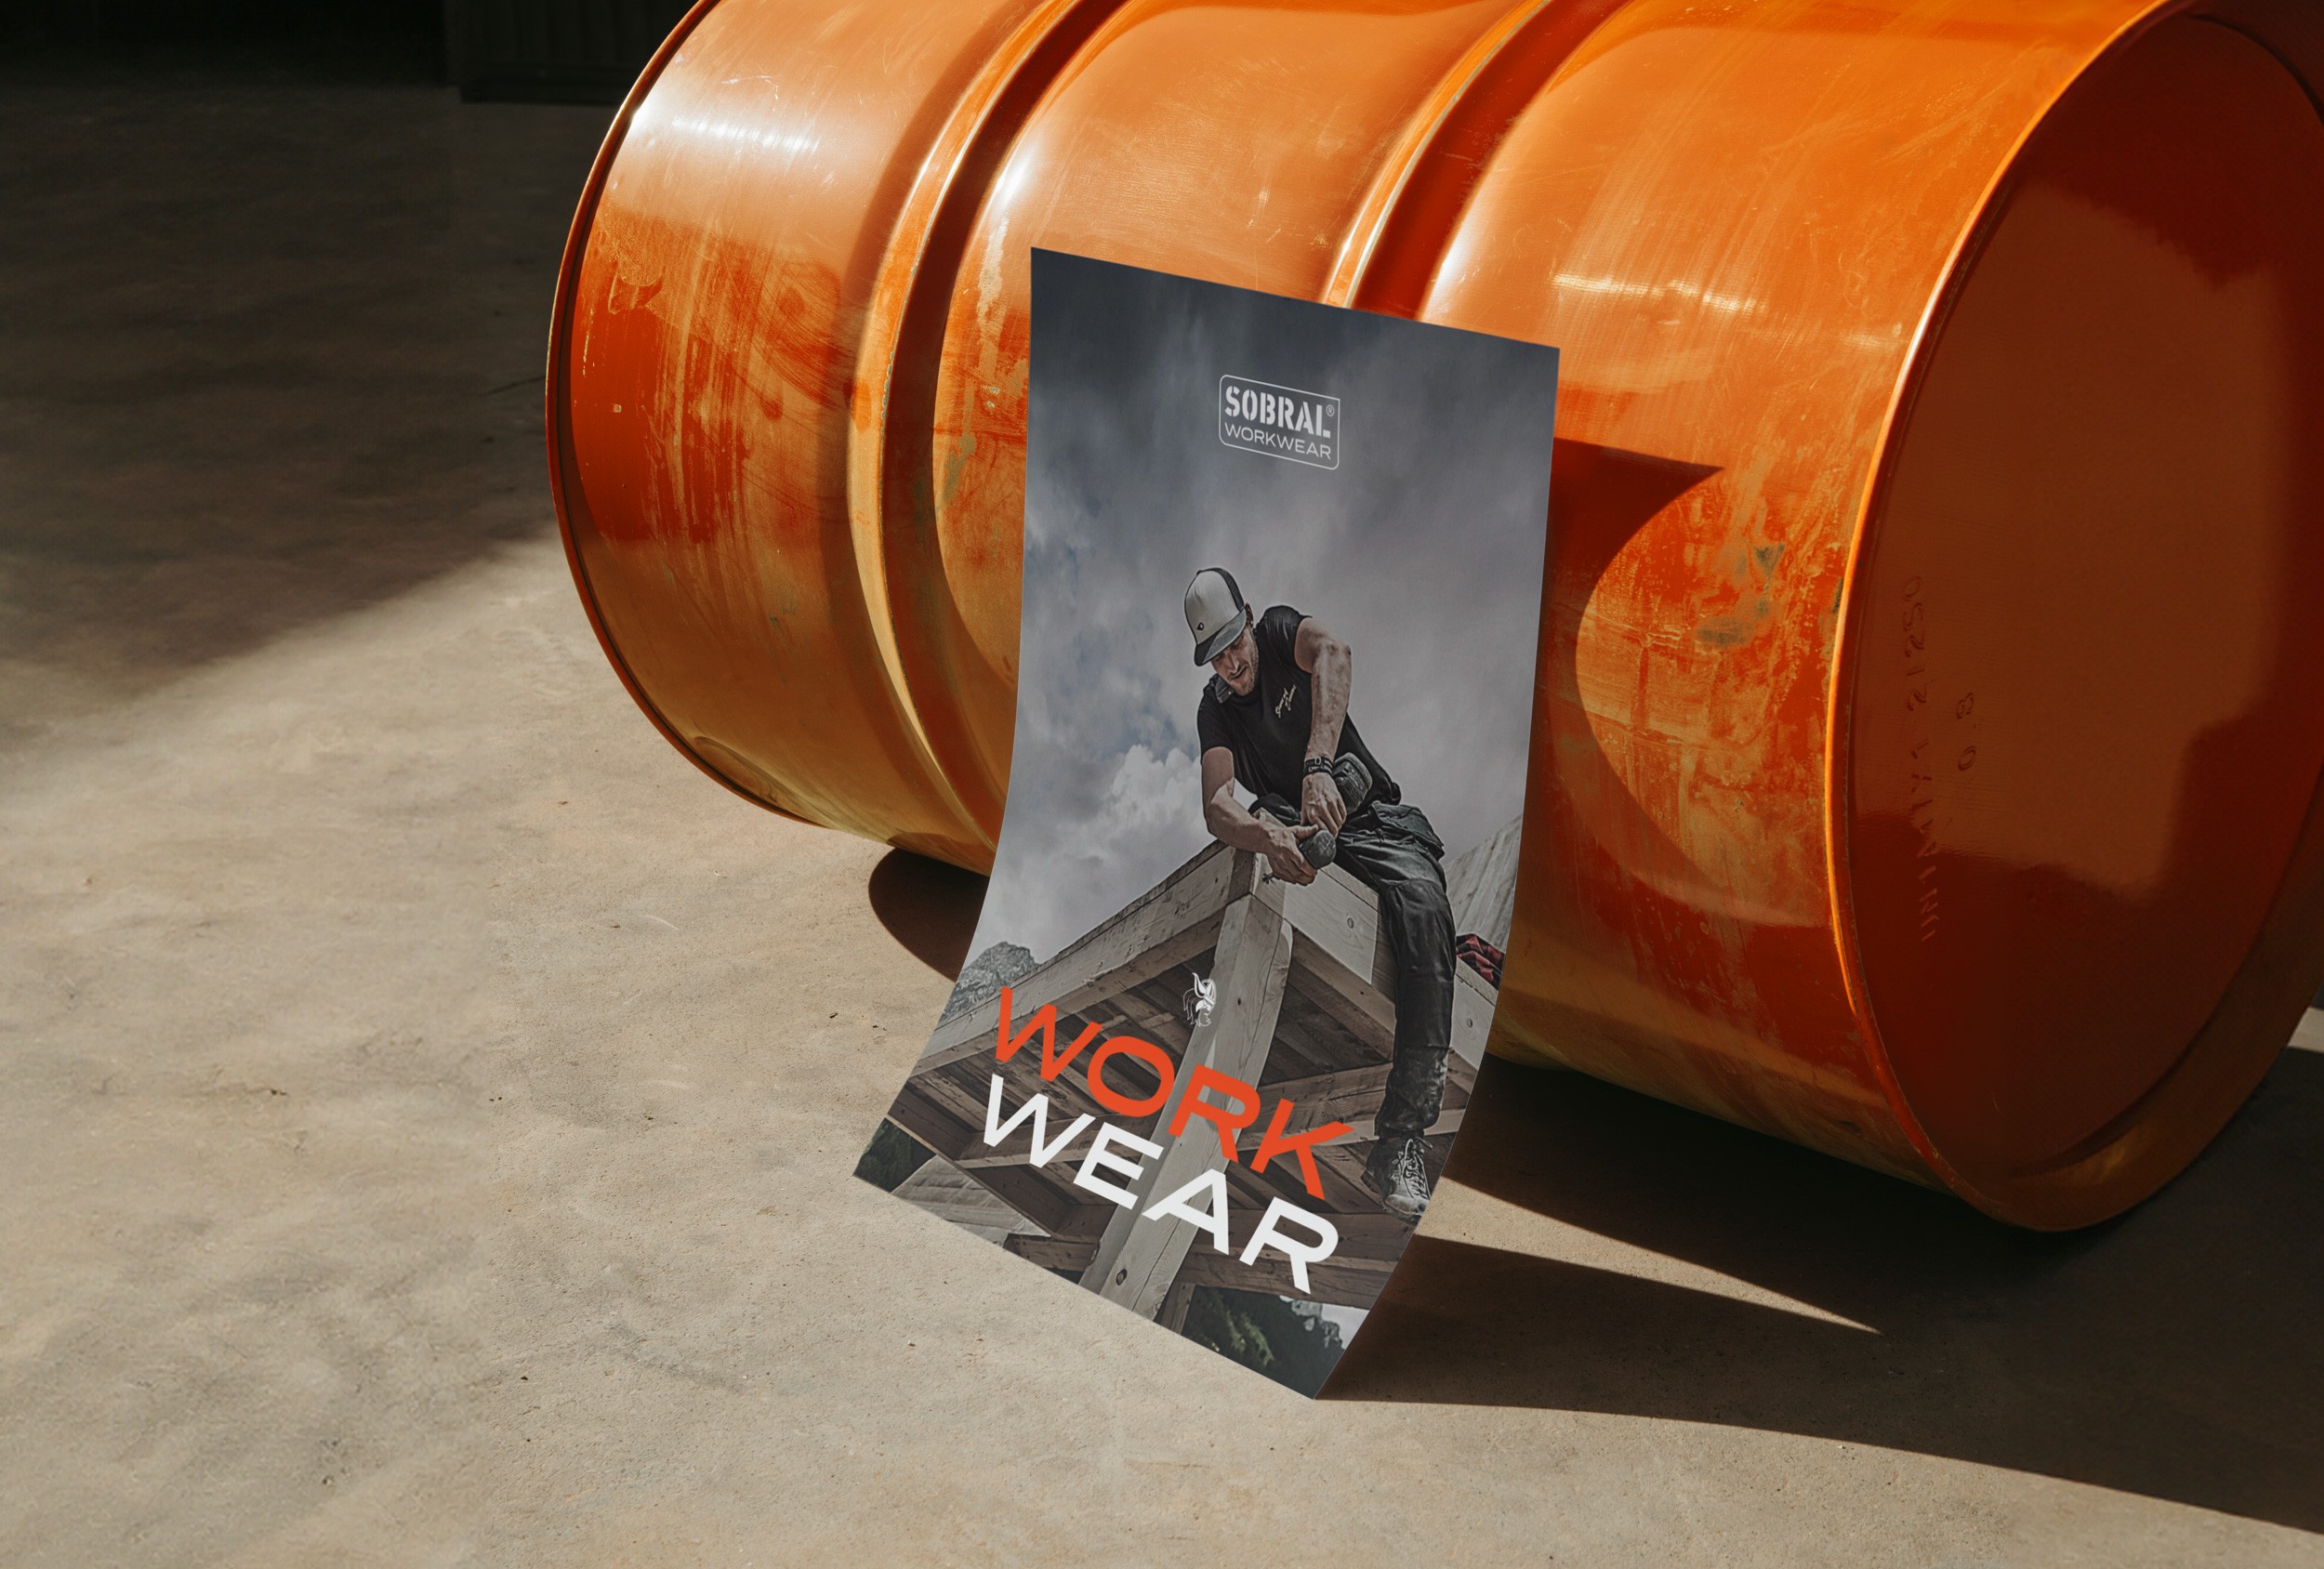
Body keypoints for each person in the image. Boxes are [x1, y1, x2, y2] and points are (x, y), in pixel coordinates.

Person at [1182, 566, 1455, 1219]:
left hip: (1368, 819)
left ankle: (1400, 1141)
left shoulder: (1280, 632)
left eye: (1234, 643)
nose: (1231, 662)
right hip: (1298, 828)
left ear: (1249, 620)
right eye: (1216, 655)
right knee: (1262, 822)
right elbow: (1217, 805)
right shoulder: (1214, 711)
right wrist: (1268, 837)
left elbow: (1335, 649)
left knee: (1424, 908)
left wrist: (1319, 765)